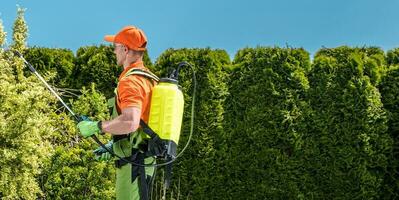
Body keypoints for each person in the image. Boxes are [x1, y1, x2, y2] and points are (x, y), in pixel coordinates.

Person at [77, 25, 158, 200]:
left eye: (115, 47)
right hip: (143, 159)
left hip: (134, 164)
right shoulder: (149, 79)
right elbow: (143, 125)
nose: (114, 52)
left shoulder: (131, 81)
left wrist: (96, 126)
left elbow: (131, 121)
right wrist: (114, 146)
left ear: (125, 49)